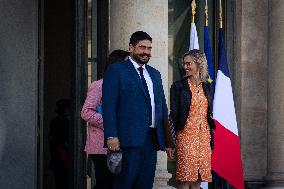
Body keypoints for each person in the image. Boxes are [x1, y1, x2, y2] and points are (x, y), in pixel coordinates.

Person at [102, 31, 172, 189]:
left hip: (152, 140)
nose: (146, 52)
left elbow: (162, 107)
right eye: (142, 47)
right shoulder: (116, 70)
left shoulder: (155, 74)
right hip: (127, 140)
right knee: (124, 184)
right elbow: (109, 105)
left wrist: (168, 140)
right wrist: (112, 135)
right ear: (131, 47)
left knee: (145, 185)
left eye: (149, 48)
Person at [81, 49, 130, 189]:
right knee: (106, 183)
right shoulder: (99, 85)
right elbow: (86, 112)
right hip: (101, 147)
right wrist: (110, 123)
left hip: (122, 144)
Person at [170, 49, 216, 189]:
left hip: (204, 138)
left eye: (189, 63)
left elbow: (208, 113)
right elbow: (173, 115)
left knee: (198, 180)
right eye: (184, 64)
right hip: (185, 137)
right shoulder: (178, 86)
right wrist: (171, 141)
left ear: (199, 64)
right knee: (185, 179)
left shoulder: (207, 87)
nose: (185, 67)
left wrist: (211, 138)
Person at [49, 99, 70, 189]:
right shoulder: (57, 122)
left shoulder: (67, 122)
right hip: (60, 153)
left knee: (63, 180)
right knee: (61, 180)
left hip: (63, 154)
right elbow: (53, 139)